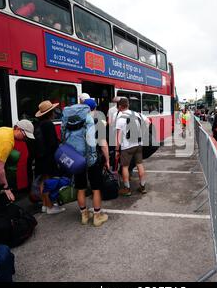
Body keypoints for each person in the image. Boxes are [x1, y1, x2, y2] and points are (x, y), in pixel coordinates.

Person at [61, 97, 109, 227]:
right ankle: (97, 217)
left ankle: (84, 215)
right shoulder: (90, 120)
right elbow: (94, 142)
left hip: (76, 158)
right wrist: (102, 159)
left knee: (80, 188)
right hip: (90, 159)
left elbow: (62, 136)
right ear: (93, 109)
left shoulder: (69, 118)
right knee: (96, 188)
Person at [0, 119, 35, 201]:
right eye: (25, 135)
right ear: (17, 128)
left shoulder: (7, 130)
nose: (25, 138)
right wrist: (6, 188)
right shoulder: (7, 141)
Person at [34, 100, 65, 215]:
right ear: (50, 113)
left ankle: (44, 205)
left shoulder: (38, 125)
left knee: (43, 181)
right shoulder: (48, 124)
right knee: (48, 182)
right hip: (48, 158)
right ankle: (50, 206)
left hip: (40, 158)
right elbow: (53, 144)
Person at [116, 98, 150, 195]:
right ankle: (143, 187)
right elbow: (148, 122)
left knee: (125, 167)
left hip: (127, 146)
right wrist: (142, 133)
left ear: (119, 107)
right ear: (128, 105)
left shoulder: (121, 117)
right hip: (139, 144)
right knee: (140, 165)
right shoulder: (137, 114)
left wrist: (117, 150)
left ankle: (127, 189)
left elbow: (118, 136)